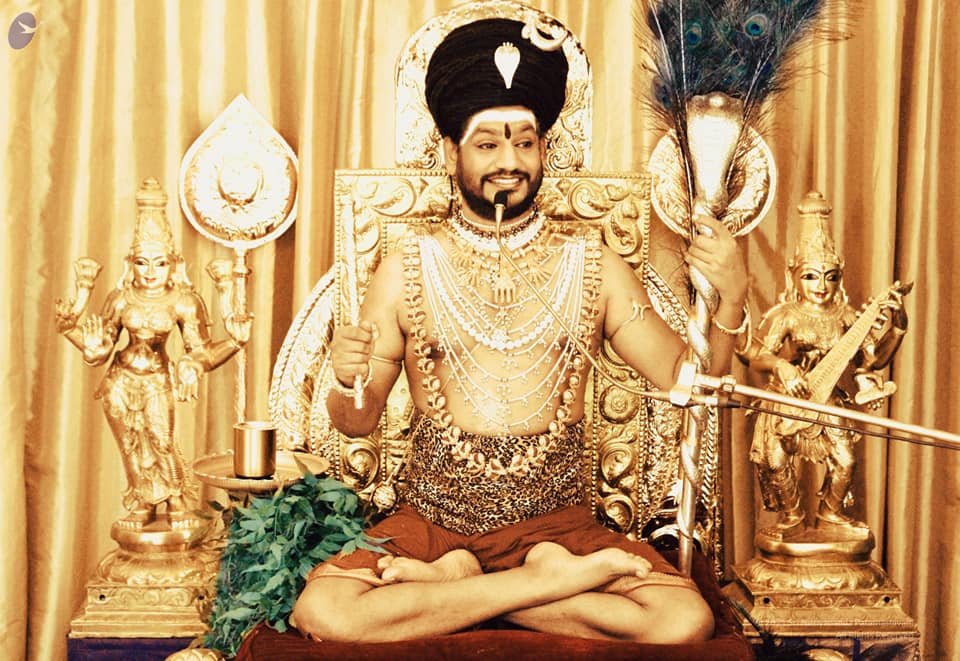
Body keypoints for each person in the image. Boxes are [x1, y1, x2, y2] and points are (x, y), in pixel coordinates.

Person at [292, 18, 747, 644]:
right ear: (449, 151)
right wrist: (347, 381)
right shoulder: (406, 267)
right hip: (433, 524)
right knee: (325, 610)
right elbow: (356, 422)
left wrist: (733, 296)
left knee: (682, 620)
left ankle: (459, 590)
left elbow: (690, 383)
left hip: (559, 528)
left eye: (525, 143)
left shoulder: (594, 265)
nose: (509, 162)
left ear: (543, 149)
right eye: (487, 145)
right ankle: (539, 585)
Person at [56, 178, 251, 530]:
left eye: (159, 264)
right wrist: (71, 330)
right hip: (120, 381)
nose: (149, 272)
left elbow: (201, 353)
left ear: (173, 265)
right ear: (131, 264)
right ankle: (143, 502)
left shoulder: (183, 301)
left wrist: (234, 343)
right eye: (142, 263)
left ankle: (175, 499)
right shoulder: (120, 299)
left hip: (157, 381)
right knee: (130, 444)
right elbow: (101, 348)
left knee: (161, 441)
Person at [739, 192, 908, 538]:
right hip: (787, 398)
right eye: (811, 276)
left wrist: (898, 327)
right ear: (794, 277)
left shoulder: (845, 315)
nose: (821, 286)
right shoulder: (786, 315)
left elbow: (872, 361)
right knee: (776, 460)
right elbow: (754, 355)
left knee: (846, 460)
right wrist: (782, 367)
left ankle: (830, 512)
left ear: (839, 278)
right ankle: (792, 517)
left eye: (830, 277)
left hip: (826, 398)